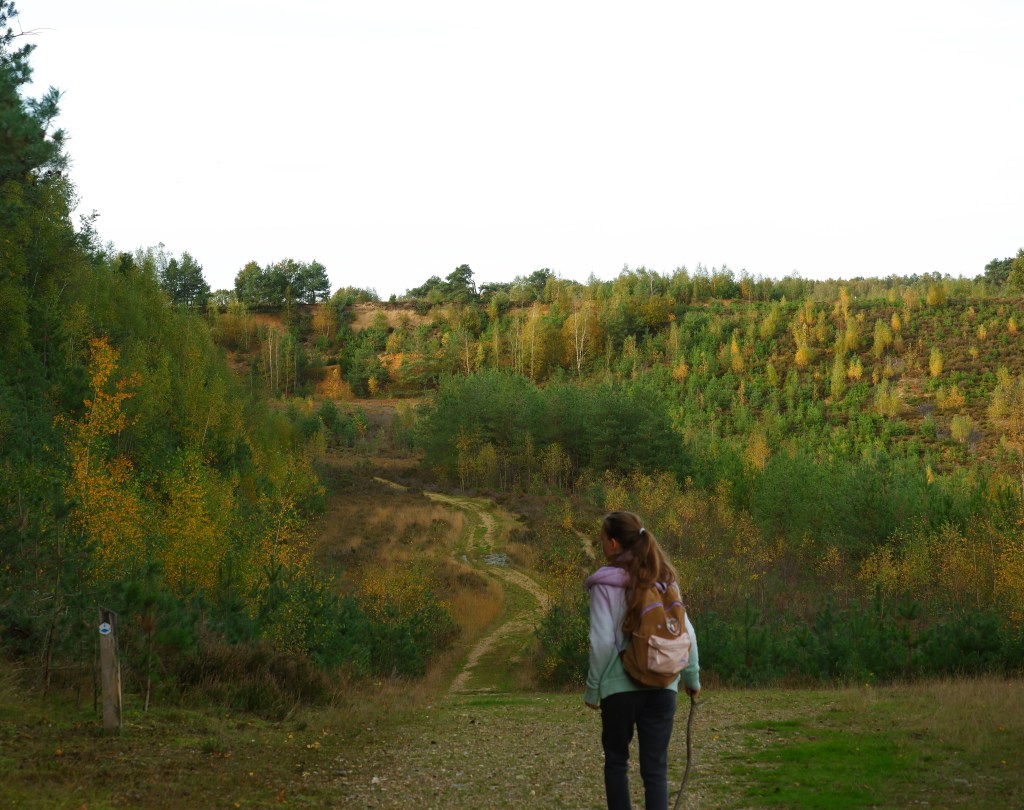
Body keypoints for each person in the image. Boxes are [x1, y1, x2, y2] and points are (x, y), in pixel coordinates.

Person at [584, 510, 700, 810]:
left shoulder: (605, 584)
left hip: (619, 689)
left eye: (601, 541)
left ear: (612, 544)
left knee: (617, 763)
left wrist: (593, 690)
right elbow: (687, 633)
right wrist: (692, 679)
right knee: (656, 771)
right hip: (664, 686)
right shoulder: (663, 580)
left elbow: (600, 643)